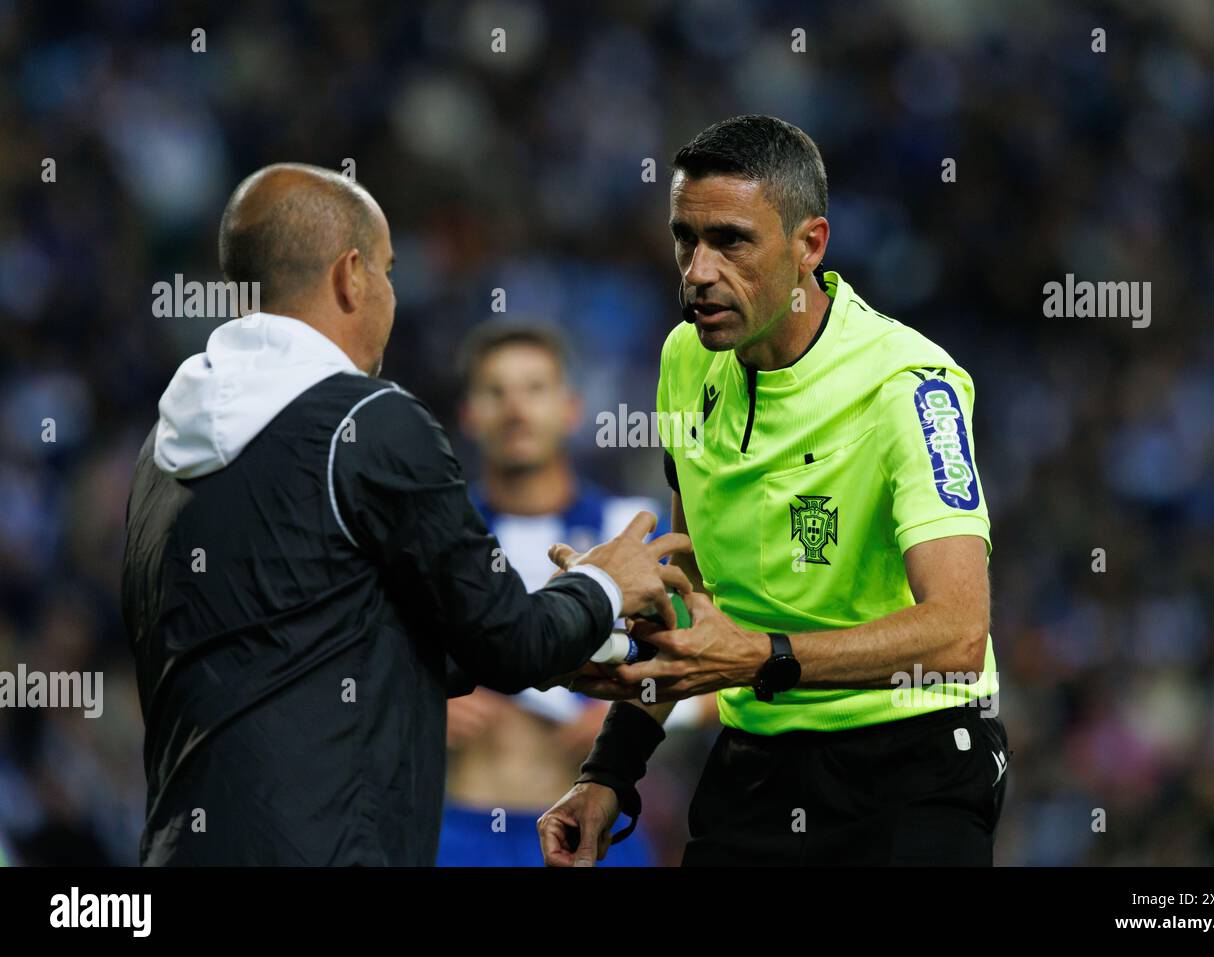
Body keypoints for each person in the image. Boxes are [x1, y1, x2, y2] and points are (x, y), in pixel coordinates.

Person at [121, 163, 691, 865]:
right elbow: (511, 642)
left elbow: (304, 638)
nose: (392, 297)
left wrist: (582, 647)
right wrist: (603, 587)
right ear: (351, 276)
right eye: (389, 272)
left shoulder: (159, 450)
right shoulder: (370, 420)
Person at [538, 116, 1010, 866]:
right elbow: (687, 584)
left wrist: (760, 654)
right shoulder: (685, 360)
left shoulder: (908, 386)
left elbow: (958, 631)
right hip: (757, 763)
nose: (697, 270)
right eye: (684, 238)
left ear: (809, 245)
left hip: (913, 768)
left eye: (730, 241)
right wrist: (610, 771)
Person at [437, 321, 695, 867]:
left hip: (594, 828)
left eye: (534, 389)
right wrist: (421, 700)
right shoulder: (437, 536)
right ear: (469, 414)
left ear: (571, 408)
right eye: (495, 391)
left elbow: (715, 662)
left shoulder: (628, 529)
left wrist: (633, 705)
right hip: (459, 828)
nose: (515, 409)